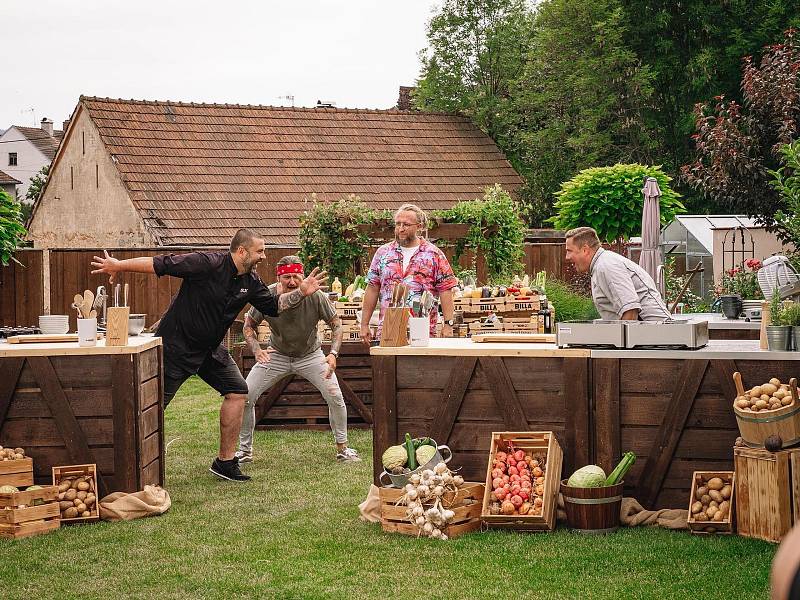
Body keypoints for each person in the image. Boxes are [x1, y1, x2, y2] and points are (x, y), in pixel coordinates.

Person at [90, 229, 328, 482]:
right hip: (176, 348)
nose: (264, 256)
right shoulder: (206, 263)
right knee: (152, 408)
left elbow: (273, 307)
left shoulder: (251, 281)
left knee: (238, 391)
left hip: (210, 351)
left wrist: (301, 292)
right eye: (260, 251)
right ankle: (127, 468)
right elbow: (160, 263)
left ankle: (225, 462)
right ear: (242, 251)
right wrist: (119, 265)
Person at [237, 255, 360, 464]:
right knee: (245, 396)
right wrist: (257, 350)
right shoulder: (266, 295)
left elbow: (336, 324)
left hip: (310, 355)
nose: (292, 282)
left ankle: (343, 449)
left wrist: (333, 353)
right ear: (279, 277)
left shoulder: (316, 296)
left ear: (302, 276)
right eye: (286, 277)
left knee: (335, 397)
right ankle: (244, 451)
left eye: (296, 276)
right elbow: (248, 325)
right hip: (276, 355)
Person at [360, 203, 457, 344]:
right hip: (388, 331)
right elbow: (372, 288)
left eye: (406, 224)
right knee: (388, 367)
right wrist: (364, 324)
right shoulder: (383, 253)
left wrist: (448, 324)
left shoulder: (434, 254)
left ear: (419, 226)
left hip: (423, 331)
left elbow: (446, 290)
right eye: (397, 224)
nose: (400, 229)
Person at [564, 226, 671, 321]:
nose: (567, 257)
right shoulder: (601, 264)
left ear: (585, 250)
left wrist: (619, 343)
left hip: (655, 337)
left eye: (569, 251)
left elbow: (630, 312)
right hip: (649, 336)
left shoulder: (606, 266)